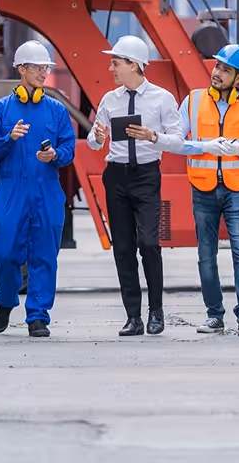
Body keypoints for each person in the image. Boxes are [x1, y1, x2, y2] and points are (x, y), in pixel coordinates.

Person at [87, 35, 184, 336]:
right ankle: (133, 317)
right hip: (116, 177)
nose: (111, 68)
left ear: (133, 64)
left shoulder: (162, 98)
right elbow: (93, 141)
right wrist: (99, 137)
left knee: (150, 244)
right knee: (124, 248)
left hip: (145, 176)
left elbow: (179, 141)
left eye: (116, 63)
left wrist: (152, 137)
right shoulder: (109, 100)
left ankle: (156, 310)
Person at [0, 40, 76, 338]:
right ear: (21, 69)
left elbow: (69, 147)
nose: (43, 73)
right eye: (37, 67)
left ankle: (38, 315)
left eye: (45, 67)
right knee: (6, 253)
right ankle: (7, 300)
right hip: (11, 192)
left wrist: (55, 155)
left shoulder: (57, 111)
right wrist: (9, 138)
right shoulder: (1, 110)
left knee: (45, 255)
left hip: (46, 191)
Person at [176, 44, 239, 336]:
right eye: (217, 66)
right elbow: (176, 141)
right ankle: (215, 315)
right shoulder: (192, 101)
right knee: (206, 254)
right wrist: (203, 146)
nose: (217, 73)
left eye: (225, 69)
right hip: (202, 188)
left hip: (237, 188)